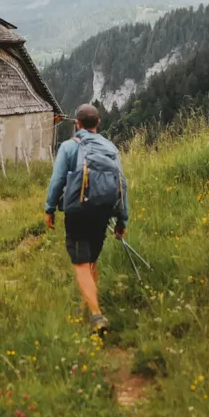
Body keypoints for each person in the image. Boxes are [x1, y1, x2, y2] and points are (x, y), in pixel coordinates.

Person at [45, 103, 129, 333]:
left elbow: (57, 180)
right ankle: (88, 303)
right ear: (98, 123)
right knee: (91, 259)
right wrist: (123, 219)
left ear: (77, 124)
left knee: (81, 263)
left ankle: (96, 315)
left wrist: (49, 208)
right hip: (103, 211)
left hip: (77, 211)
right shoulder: (110, 147)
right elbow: (122, 183)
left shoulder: (70, 147)